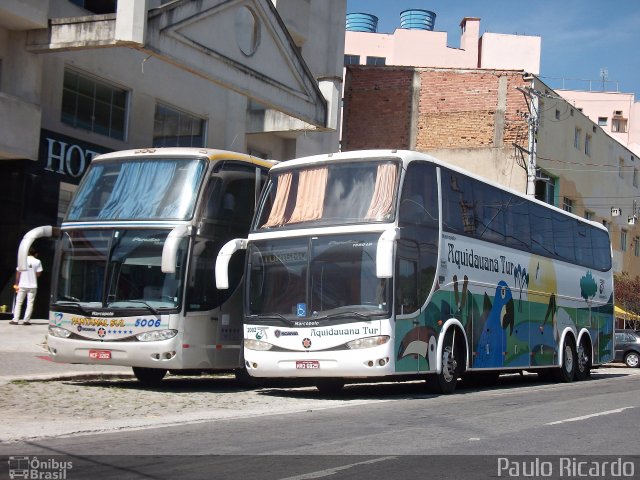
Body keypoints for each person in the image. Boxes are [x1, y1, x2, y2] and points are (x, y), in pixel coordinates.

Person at [10, 247, 43, 325]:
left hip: (22, 284)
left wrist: (16, 283)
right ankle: (26, 320)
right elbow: (38, 274)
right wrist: (32, 272)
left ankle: (15, 320)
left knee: (19, 302)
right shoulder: (37, 261)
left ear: (28, 253)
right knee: (30, 303)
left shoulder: (23, 260)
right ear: (36, 254)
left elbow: (18, 273)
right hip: (32, 285)